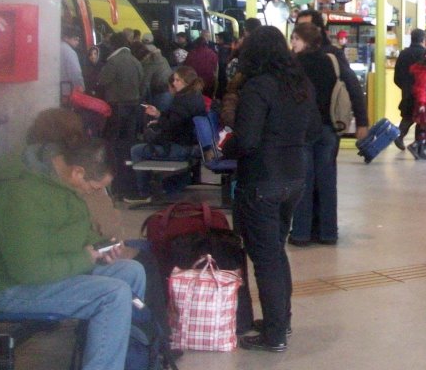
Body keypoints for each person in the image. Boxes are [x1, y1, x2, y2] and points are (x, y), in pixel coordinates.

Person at [0, 122, 147, 370]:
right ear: (78, 172)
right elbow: (28, 271)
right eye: (95, 187)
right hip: (14, 289)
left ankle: (124, 358)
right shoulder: (19, 196)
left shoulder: (58, 181)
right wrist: (85, 258)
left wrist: (100, 247)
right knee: (113, 294)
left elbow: (71, 231)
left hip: (51, 273)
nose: (94, 193)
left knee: (131, 270)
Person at [221, 26, 321, 352]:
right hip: (295, 178)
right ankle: (282, 321)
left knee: (264, 259)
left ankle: (274, 334)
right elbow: (313, 131)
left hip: (262, 180)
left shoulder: (257, 87)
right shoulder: (300, 85)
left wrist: (225, 147)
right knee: (276, 252)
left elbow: (247, 140)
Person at [288, 22, 341, 247]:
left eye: (295, 39)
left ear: (305, 41)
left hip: (303, 129)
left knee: (304, 182)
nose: (292, 44)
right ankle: (328, 232)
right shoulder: (329, 61)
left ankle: (301, 233)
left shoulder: (295, 65)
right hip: (328, 127)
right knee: (327, 183)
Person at [124, 65, 207, 205]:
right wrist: (158, 114)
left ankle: (144, 193)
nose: (174, 83)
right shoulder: (196, 97)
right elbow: (177, 121)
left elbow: (172, 127)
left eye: (177, 80)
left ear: (186, 82)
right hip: (191, 146)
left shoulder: (182, 100)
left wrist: (156, 129)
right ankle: (175, 184)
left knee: (136, 150)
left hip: (180, 148)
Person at [294, 9, 369, 142]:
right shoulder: (292, 58)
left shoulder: (332, 55)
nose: (301, 32)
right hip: (300, 126)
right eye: (298, 28)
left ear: (318, 30)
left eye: (306, 28)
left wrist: (361, 121)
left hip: (327, 125)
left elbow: (352, 84)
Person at [393, 28, 426, 152]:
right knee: (422, 117)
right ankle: (419, 143)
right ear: (423, 40)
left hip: (407, 91)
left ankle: (400, 136)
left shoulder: (403, 53)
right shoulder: (425, 54)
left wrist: (405, 87)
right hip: (422, 91)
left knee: (408, 115)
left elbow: (397, 76)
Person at [136, 40, 173, 111]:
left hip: (159, 93)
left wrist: (139, 98)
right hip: (169, 91)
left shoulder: (151, 63)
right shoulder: (163, 59)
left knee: (157, 116)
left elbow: (145, 83)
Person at [184, 31, 219, 98]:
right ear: (206, 44)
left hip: (194, 82)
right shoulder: (212, 53)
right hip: (208, 82)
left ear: (196, 44)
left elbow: (186, 66)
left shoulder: (191, 53)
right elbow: (215, 68)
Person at [60, 28, 85, 101]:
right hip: (66, 91)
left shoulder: (55, 47)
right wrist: (81, 87)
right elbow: (76, 73)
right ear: (66, 38)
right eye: (75, 39)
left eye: (78, 40)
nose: (77, 42)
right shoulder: (70, 52)